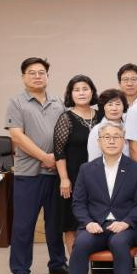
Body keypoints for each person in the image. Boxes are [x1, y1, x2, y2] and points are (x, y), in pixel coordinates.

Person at [54, 123, 137, 274]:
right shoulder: (87, 169)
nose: (112, 141)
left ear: (123, 142)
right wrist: (88, 222)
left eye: (116, 137)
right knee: (80, 245)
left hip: (125, 226)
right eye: (107, 137)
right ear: (99, 142)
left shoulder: (136, 169)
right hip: (95, 225)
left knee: (119, 243)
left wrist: (126, 222)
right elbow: (78, 203)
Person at [5, 57, 68, 274]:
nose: (37, 76)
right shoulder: (16, 102)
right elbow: (17, 136)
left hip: (56, 173)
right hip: (29, 173)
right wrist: (45, 157)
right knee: (24, 224)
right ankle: (21, 269)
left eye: (41, 72)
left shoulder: (58, 102)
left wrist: (57, 162)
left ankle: (57, 262)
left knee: (55, 223)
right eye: (32, 73)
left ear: (48, 76)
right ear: (23, 77)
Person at [54, 75, 101, 255]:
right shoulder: (66, 118)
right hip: (72, 177)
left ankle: (97, 266)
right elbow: (59, 152)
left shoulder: (101, 116)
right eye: (76, 90)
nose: (81, 93)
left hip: (98, 177)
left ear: (92, 92)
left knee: (97, 220)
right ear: (70, 94)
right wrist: (64, 179)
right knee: (71, 222)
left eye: (85, 89)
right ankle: (76, 265)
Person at [87, 88, 129, 161]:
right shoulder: (97, 131)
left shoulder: (128, 127)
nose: (114, 108)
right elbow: (93, 161)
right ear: (103, 107)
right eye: (110, 104)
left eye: (118, 104)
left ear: (124, 106)